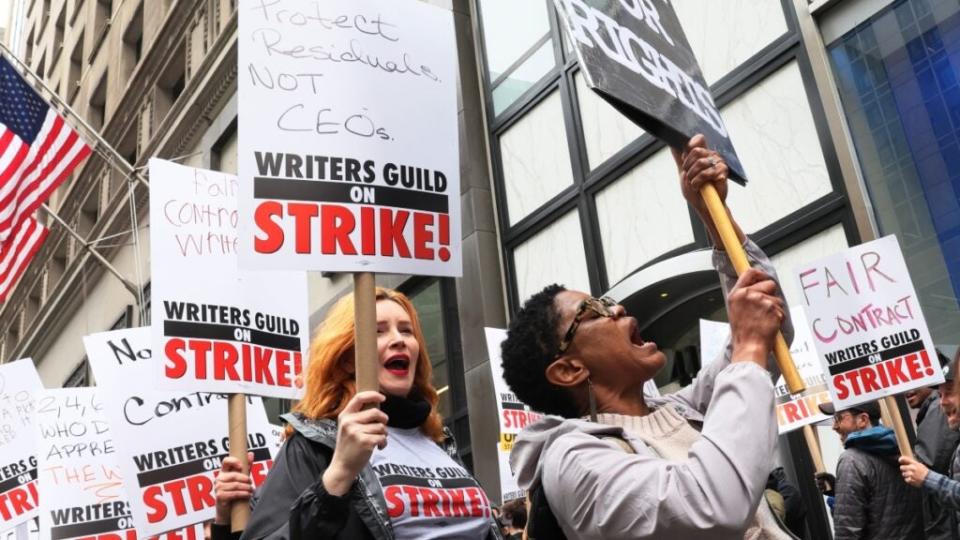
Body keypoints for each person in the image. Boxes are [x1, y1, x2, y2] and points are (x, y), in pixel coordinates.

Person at [501, 134, 795, 539]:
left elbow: (769, 329)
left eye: (608, 302)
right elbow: (709, 508)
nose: (618, 309)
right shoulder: (575, 460)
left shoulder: (681, 411)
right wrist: (747, 346)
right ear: (569, 369)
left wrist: (712, 212)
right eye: (594, 311)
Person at [240, 288, 501, 539]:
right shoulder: (313, 446)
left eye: (407, 330)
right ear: (346, 359)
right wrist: (339, 473)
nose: (399, 339)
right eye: (378, 331)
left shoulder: (440, 441)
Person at [816, 400, 922, 540]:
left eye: (838, 418)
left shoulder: (851, 460)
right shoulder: (903, 449)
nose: (834, 426)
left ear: (863, 419)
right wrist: (840, 490)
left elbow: (847, 531)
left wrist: (840, 501)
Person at [900, 352, 960, 537]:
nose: (943, 402)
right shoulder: (931, 412)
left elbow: (927, 464)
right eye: (940, 394)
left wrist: (926, 477)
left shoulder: (934, 410)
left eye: (949, 392)